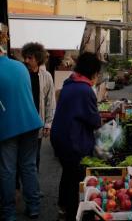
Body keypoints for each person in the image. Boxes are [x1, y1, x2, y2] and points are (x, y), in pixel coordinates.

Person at [51, 52, 102, 221]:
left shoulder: (70, 83)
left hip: (60, 138)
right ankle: (72, 212)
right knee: (76, 178)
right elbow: (94, 121)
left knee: (67, 172)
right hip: (73, 141)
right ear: (93, 71)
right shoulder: (84, 90)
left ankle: (62, 207)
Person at [0, 43, 43, 220]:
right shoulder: (19, 66)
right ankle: (33, 207)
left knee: (8, 170)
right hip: (31, 122)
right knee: (28, 166)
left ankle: (9, 212)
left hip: (8, 127)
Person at [21, 42, 56, 171]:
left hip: (37, 122)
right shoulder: (22, 73)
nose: (26, 60)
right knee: (20, 156)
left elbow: (50, 101)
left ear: (38, 58)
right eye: (25, 57)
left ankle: (32, 186)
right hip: (22, 122)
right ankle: (17, 185)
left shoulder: (46, 77)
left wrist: (48, 123)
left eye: (30, 58)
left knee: (35, 157)